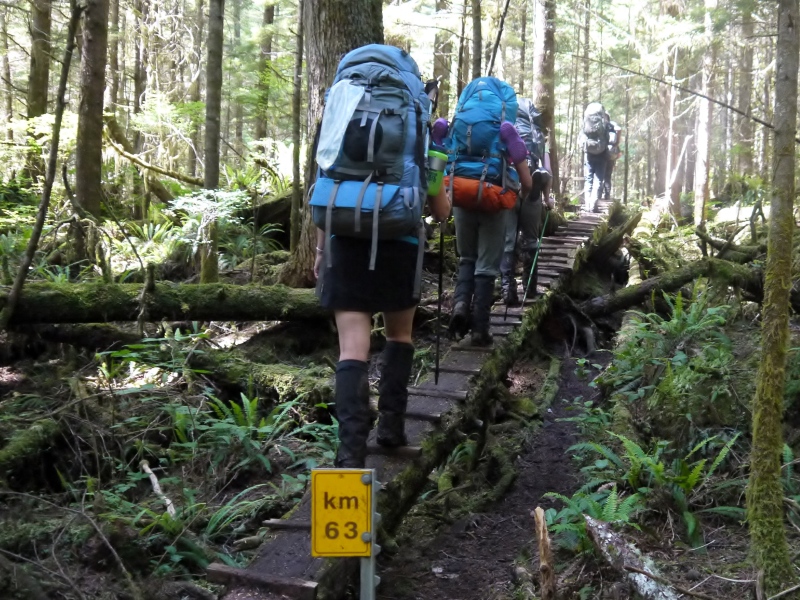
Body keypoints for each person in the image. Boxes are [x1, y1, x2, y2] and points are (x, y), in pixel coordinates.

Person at [310, 44, 452, 469]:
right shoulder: (418, 124)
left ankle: (350, 451)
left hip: (343, 238)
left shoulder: (340, 108)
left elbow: (325, 183)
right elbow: (440, 211)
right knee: (399, 337)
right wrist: (438, 170)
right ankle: (391, 430)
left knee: (351, 347)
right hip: (399, 239)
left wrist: (320, 249)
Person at [438, 79, 533, 345]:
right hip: (493, 198)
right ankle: (480, 328)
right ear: (503, 106)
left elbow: (439, 155)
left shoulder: (458, 124)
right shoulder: (506, 130)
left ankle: (459, 307)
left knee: (467, 257)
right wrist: (521, 196)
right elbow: (526, 181)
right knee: (487, 264)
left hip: (460, 193)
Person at [501, 98, 554, 306]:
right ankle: (530, 289)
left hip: (510, 191)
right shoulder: (539, 137)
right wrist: (548, 198)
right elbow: (546, 172)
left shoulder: (506, 130)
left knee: (508, 241)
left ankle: (508, 291)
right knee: (531, 240)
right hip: (532, 194)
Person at [578, 102, 609, 212]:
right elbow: (608, 137)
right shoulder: (604, 123)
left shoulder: (586, 122)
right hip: (601, 153)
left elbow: (581, 136)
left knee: (588, 179)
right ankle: (593, 203)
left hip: (589, 153)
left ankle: (587, 204)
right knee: (598, 179)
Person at [603, 115, 622, 200]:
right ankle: (607, 195)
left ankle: (599, 194)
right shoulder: (612, 125)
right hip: (611, 155)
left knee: (600, 175)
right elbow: (619, 154)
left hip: (602, 153)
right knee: (607, 176)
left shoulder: (601, 126)